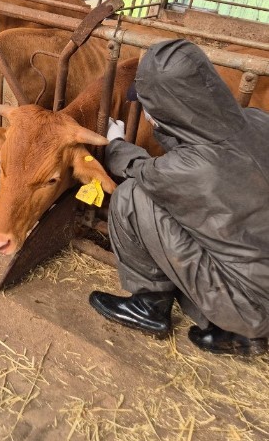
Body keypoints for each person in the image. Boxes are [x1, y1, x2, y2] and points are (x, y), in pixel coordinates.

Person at [89, 39, 269, 357]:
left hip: (249, 304)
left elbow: (142, 171)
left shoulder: (193, 168)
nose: (146, 113)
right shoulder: (258, 121)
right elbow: (215, 157)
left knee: (132, 196)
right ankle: (239, 331)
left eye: (149, 106)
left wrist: (115, 143)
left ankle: (149, 305)